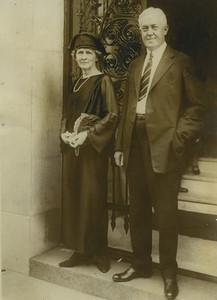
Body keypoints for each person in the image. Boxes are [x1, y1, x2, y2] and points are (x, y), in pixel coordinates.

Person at [113, 7, 205, 299]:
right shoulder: (136, 64)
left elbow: (197, 108)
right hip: (135, 145)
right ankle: (140, 264)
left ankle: (169, 272)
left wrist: (179, 139)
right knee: (137, 209)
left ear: (165, 30)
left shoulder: (181, 62)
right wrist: (120, 145)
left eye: (155, 27)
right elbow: (128, 106)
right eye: (145, 29)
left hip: (166, 149)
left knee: (166, 216)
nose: (149, 33)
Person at [59, 32, 119, 273]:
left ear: (97, 56)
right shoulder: (74, 82)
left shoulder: (103, 80)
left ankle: (98, 252)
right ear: (74, 56)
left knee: (92, 200)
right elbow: (66, 114)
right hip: (73, 149)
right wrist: (63, 133)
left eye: (88, 53)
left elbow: (113, 115)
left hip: (92, 150)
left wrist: (87, 135)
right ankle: (79, 251)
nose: (83, 57)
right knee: (75, 198)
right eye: (79, 53)